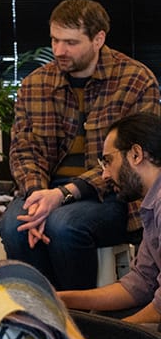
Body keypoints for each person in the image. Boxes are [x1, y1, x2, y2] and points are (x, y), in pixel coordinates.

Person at [0, 0, 160, 290]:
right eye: (55, 40)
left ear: (98, 39)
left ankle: (80, 319)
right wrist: (38, 196)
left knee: (64, 225)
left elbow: (137, 159)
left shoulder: (136, 80)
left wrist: (62, 195)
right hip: (47, 189)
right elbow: (23, 151)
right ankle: (42, 314)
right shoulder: (35, 84)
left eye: (70, 42)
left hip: (113, 194)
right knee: (14, 226)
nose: (59, 50)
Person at [59, 112, 161, 325]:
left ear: (135, 154)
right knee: (94, 319)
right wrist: (62, 298)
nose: (104, 175)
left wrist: (114, 334)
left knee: (92, 336)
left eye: (108, 161)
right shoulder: (152, 203)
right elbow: (140, 283)